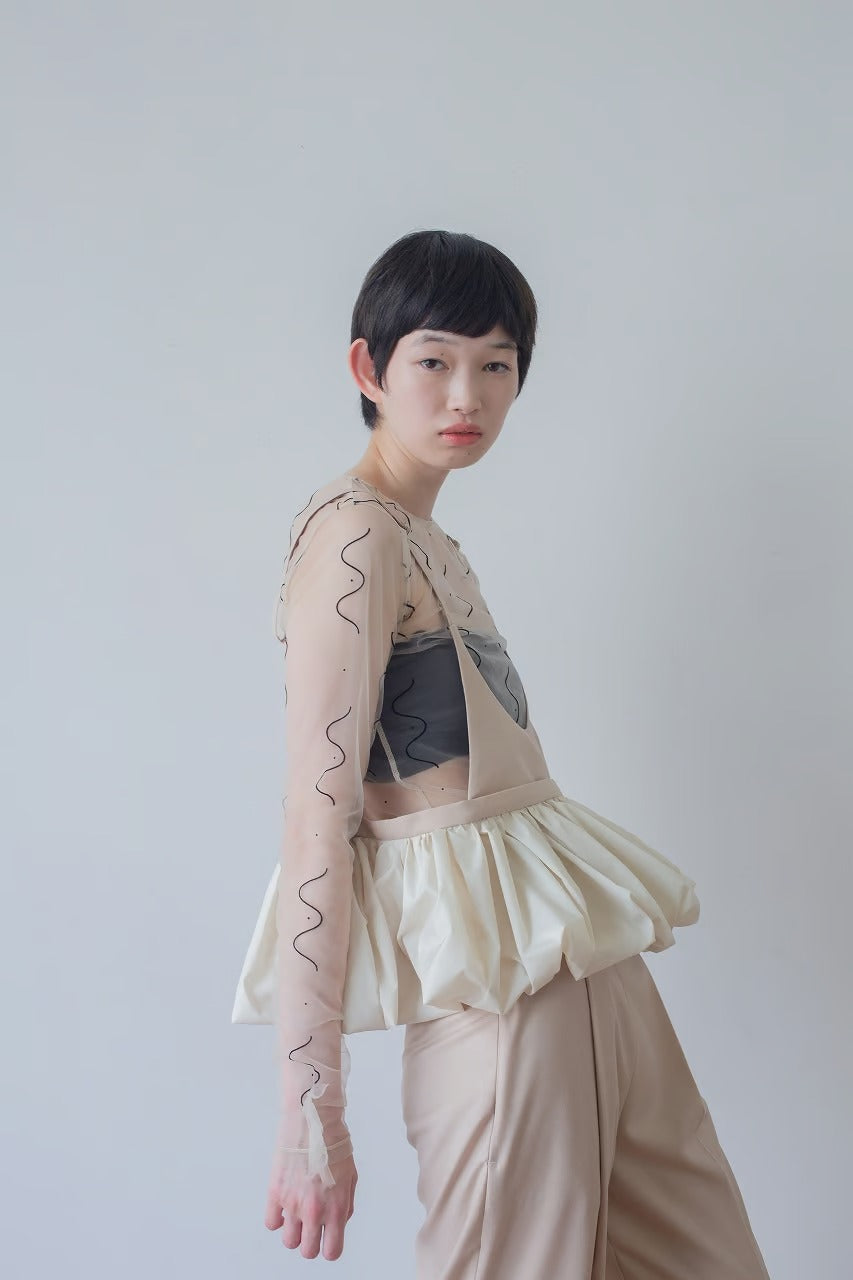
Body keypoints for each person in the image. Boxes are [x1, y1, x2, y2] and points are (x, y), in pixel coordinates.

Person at [231, 229, 771, 1277]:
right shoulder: (355, 535)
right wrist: (310, 1104)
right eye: (433, 360)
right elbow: (316, 820)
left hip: (581, 961)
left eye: (495, 364)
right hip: (499, 993)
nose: (465, 395)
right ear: (368, 368)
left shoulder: (425, 533)